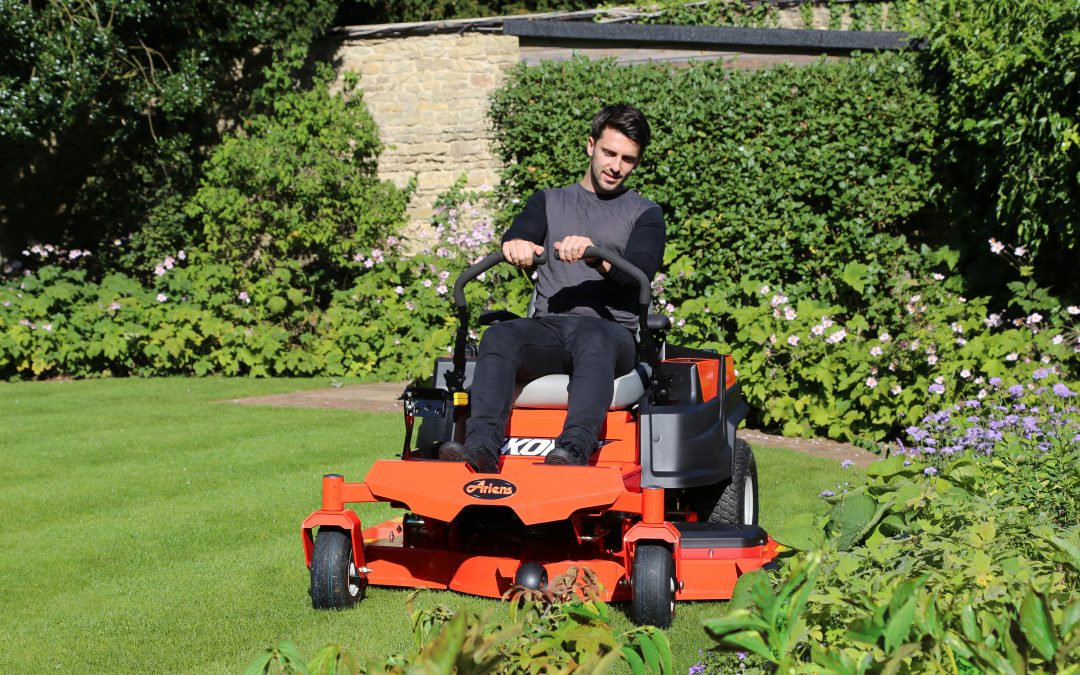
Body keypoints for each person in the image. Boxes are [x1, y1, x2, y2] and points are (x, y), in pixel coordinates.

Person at [440, 103, 665, 472]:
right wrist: (517, 246)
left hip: (614, 335)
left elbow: (641, 271)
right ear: (590, 145)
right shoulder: (548, 200)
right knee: (500, 335)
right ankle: (480, 447)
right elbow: (521, 233)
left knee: (594, 338)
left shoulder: (645, 213)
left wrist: (597, 257)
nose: (616, 166)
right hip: (551, 327)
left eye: (627, 159)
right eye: (609, 153)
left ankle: (574, 448)